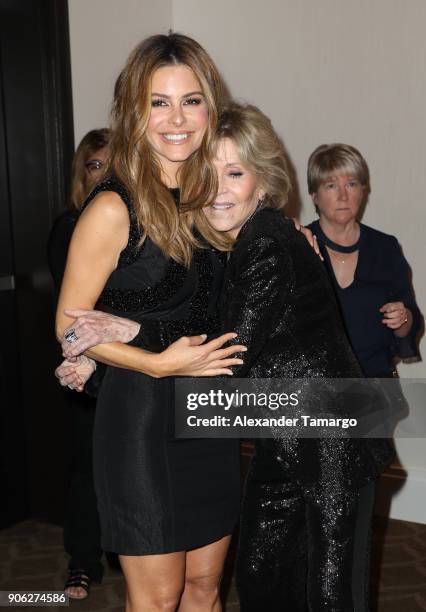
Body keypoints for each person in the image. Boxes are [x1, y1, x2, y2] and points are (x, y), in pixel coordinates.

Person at [57, 102, 394, 610]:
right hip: (281, 444)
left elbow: (231, 349)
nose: (216, 188)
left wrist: (130, 331)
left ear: (264, 181)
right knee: (264, 583)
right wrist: (106, 349)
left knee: (319, 595)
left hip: (325, 453)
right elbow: (197, 311)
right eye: (205, 173)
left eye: (234, 173)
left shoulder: (264, 243)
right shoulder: (233, 238)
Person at [55, 34, 247, 612]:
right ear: (134, 111)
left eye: (191, 100)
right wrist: (158, 364)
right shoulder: (113, 208)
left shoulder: (213, 196)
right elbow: (66, 330)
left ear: (211, 106)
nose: (177, 119)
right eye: (158, 102)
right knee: (159, 600)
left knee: (205, 589)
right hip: (139, 422)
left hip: (210, 413)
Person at [47, 128, 110, 599]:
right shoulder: (70, 227)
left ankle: (119, 552)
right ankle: (82, 562)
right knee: (88, 465)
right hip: (87, 361)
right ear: (82, 173)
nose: (105, 173)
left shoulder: (134, 224)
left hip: (131, 360)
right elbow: (74, 311)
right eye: (95, 165)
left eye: (113, 165)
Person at [306, 143, 421, 379]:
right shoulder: (299, 245)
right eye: (331, 185)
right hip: (314, 393)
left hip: (377, 392)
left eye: (351, 184)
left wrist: (403, 318)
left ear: (363, 190)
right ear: (314, 196)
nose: (343, 195)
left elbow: (410, 322)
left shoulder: (385, 248)